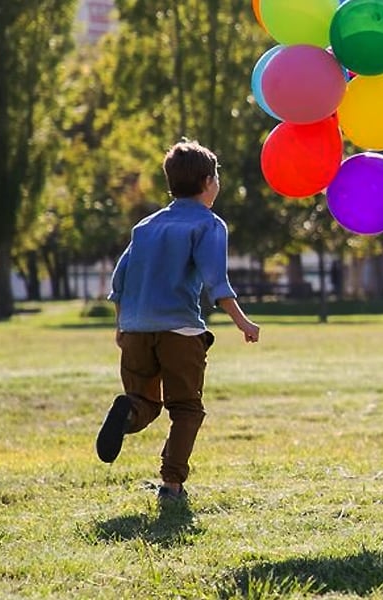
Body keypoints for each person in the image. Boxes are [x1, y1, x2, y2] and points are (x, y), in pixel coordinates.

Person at [96, 140, 261, 505]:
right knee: (186, 408)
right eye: (217, 178)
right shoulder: (208, 224)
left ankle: (128, 413)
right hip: (180, 331)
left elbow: (119, 281)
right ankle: (171, 485)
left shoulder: (146, 226)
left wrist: (121, 327)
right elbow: (216, 281)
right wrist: (243, 322)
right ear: (207, 182)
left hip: (136, 330)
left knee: (145, 402)